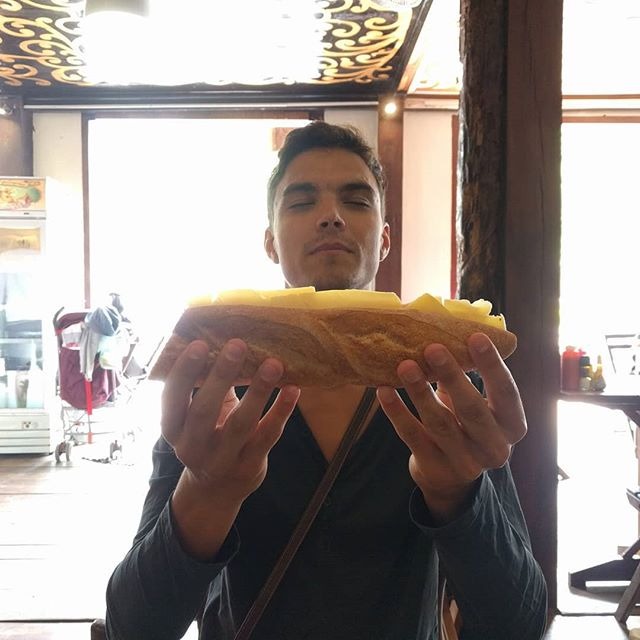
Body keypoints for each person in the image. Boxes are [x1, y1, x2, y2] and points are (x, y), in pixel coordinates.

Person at [105, 121, 547, 640]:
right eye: (301, 202)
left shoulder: (438, 395)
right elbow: (133, 627)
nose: (332, 217)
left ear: (384, 240)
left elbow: (520, 623)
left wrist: (459, 494)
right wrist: (206, 491)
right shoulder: (221, 398)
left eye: (356, 201)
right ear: (271, 243)